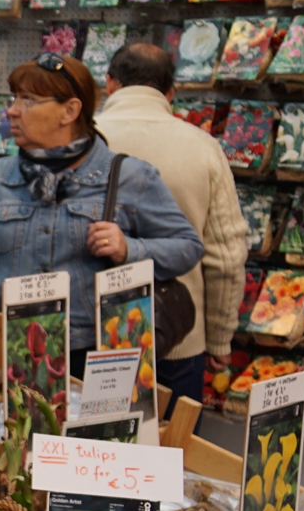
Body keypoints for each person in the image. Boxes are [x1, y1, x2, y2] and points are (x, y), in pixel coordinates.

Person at [0, 54, 205, 366]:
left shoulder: (131, 178)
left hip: (97, 356)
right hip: (8, 352)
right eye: (15, 98)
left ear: (70, 110)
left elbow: (187, 247)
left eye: (27, 100)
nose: (12, 111)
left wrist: (129, 249)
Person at [94, 42, 249, 410]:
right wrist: (219, 340)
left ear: (109, 83)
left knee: (92, 455)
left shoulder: (79, 140)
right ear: (170, 93)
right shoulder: (203, 147)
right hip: (178, 335)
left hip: (93, 332)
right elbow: (226, 257)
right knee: (174, 455)